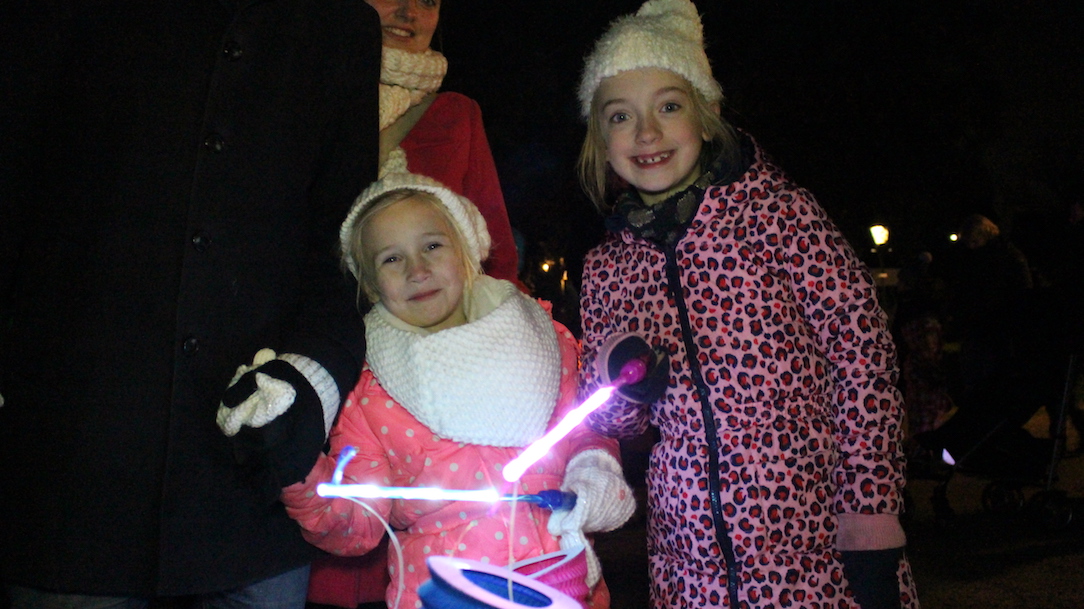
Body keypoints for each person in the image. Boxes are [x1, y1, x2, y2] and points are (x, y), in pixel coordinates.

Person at [0, 2, 381, 608]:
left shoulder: (338, 27)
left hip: (250, 494)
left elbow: (344, 246)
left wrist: (312, 380)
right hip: (72, 476)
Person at [573, 1, 919, 607]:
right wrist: (619, 382)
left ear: (707, 120)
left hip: (815, 550)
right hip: (689, 564)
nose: (647, 132)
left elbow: (863, 359)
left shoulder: (780, 216)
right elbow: (617, 424)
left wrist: (870, 513)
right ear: (602, 143)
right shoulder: (606, 268)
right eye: (621, 116)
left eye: (669, 107)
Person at [276, 151, 635, 609]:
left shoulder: (545, 340)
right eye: (391, 258)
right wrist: (297, 464)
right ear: (368, 284)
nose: (417, 270)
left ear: (466, 250)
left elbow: (585, 429)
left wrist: (594, 468)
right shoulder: (370, 391)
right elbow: (357, 523)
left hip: (560, 587)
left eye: (432, 246)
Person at [366, 0, 520, 285]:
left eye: (427, 1)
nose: (408, 12)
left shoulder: (454, 114)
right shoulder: (301, 97)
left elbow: (497, 257)